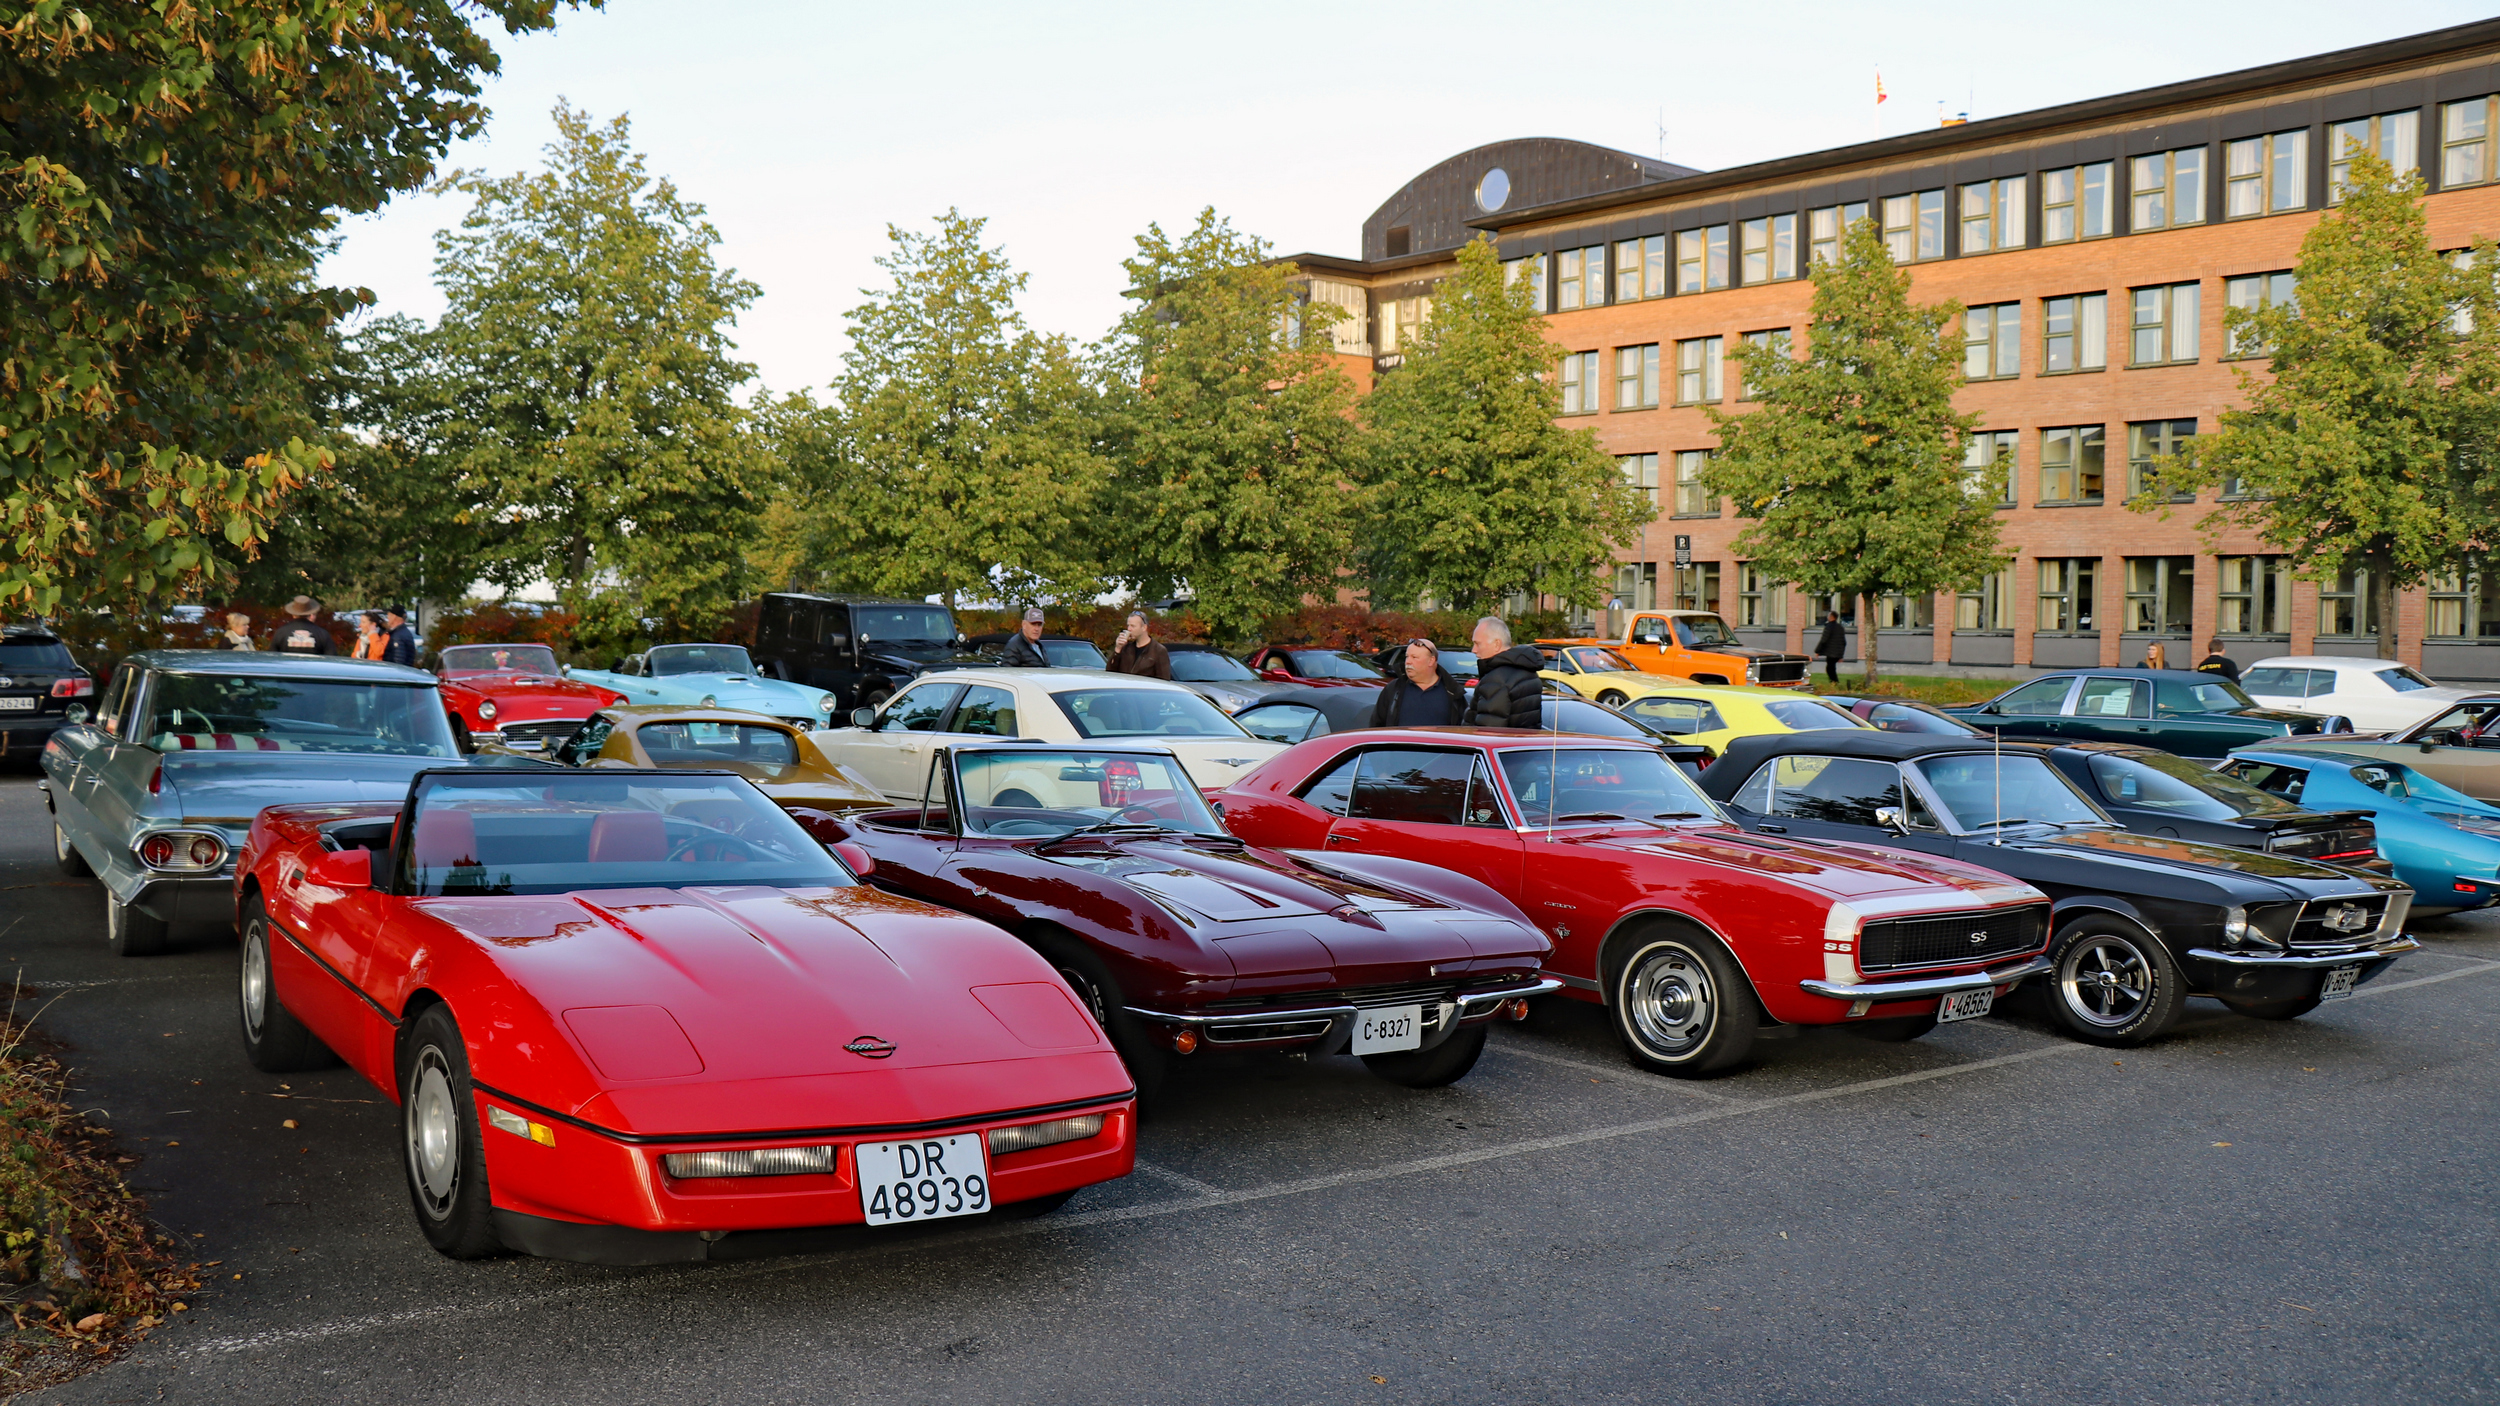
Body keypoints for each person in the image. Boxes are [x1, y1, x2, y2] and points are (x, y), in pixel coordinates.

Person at [1464, 617, 1545, 729]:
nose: (1474, 650)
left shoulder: (1496, 680)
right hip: (1523, 740)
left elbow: (1488, 730)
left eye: (1478, 644)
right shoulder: (1528, 672)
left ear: (1497, 644)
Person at [1371, 638, 1467, 727]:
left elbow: (1463, 730)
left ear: (1431, 661)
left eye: (1414, 657)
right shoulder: (1394, 689)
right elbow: (1376, 727)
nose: (1408, 662)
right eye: (1407, 657)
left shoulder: (1453, 692)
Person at [1109, 611, 1172, 679]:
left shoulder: (1158, 650)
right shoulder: (1126, 648)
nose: (1129, 629)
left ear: (1144, 627)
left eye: (1133, 626)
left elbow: (1163, 680)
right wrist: (1118, 649)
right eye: (1128, 625)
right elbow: (1110, 674)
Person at [1815, 609, 1848, 685]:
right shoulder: (1840, 627)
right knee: (1832, 667)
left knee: (1830, 668)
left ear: (1831, 617)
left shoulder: (1829, 627)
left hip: (1831, 652)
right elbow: (1843, 642)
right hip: (1837, 652)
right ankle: (1834, 682)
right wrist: (1841, 655)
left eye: (1828, 615)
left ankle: (1835, 682)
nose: (1827, 617)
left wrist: (1817, 651)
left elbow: (1824, 640)